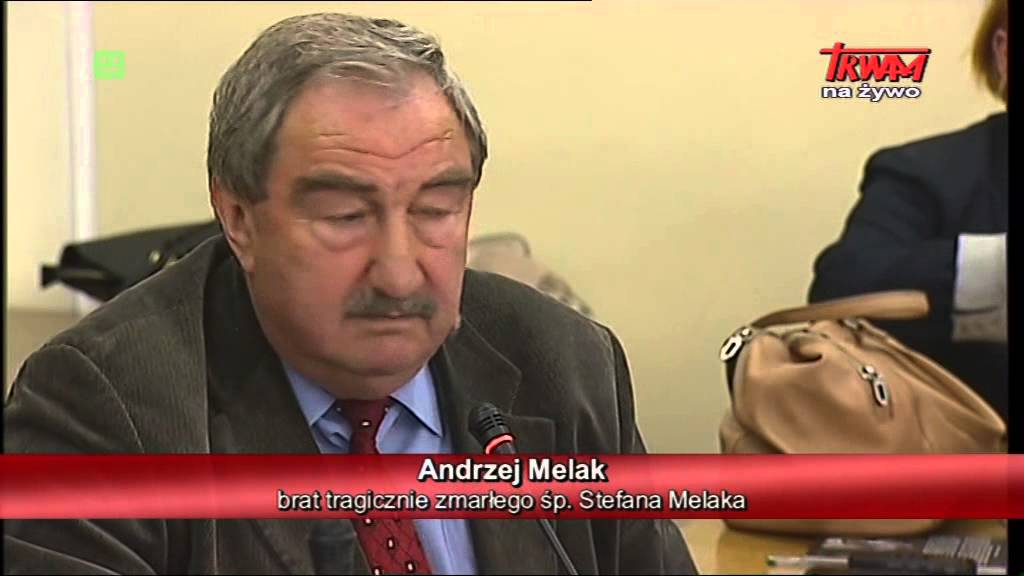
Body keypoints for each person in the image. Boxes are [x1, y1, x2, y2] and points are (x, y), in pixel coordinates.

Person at [3, 13, 696, 575]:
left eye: (435, 210)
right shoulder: (102, 407)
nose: (399, 275)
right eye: (345, 216)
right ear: (238, 217)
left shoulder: (566, 363)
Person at [808, 0, 1008, 421]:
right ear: (1005, 54)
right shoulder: (925, 172)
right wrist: (996, 270)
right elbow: (842, 289)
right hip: (972, 449)